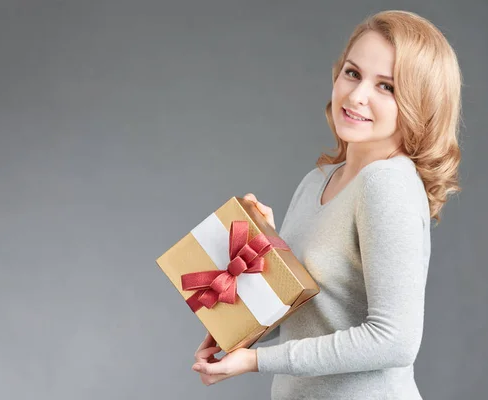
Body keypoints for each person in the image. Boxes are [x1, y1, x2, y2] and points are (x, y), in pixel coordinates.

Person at [190, 9, 462, 399]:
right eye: (353, 73)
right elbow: (306, 320)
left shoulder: (387, 183)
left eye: (387, 86)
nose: (357, 95)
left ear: (421, 103)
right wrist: (263, 256)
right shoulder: (318, 180)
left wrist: (255, 361)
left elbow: (394, 340)